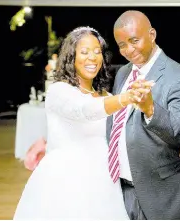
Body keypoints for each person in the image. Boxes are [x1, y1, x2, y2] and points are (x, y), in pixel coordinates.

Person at [13, 26, 153, 219]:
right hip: (66, 181)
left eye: (97, 52)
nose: (92, 58)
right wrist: (126, 98)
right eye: (84, 52)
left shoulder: (105, 95)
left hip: (104, 182)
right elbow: (85, 110)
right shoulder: (59, 91)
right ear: (71, 56)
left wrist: (172, 144)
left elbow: (129, 129)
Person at [106, 10, 180, 220]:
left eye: (134, 40)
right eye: (122, 45)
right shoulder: (123, 73)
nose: (129, 50)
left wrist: (151, 109)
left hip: (159, 197)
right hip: (120, 192)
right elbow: (118, 125)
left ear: (152, 35)